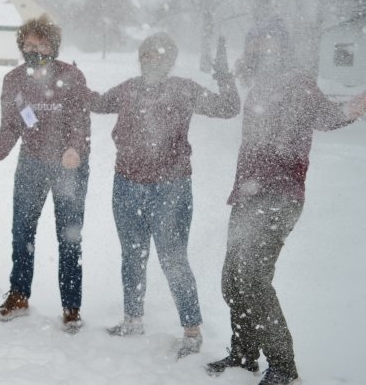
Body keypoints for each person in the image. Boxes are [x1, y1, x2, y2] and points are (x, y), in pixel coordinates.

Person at [206, 21, 366, 385]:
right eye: (254, 44)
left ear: (283, 46)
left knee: (254, 278)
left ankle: (282, 365)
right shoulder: (259, 85)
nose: (261, 50)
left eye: (268, 43)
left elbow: (325, 117)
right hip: (247, 196)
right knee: (232, 280)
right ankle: (244, 353)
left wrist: (353, 108)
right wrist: (222, 71)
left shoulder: (297, 81)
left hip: (279, 196)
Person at [89, 32, 240, 356]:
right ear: (141, 60)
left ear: (170, 61)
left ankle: (191, 330)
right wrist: (72, 83)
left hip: (170, 188)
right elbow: (99, 103)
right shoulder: (129, 88)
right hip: (127, 184)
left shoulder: (183, 89)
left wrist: (224, 75)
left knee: (173, 258)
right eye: (147, 56)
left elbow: (228, 107)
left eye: (160, 57)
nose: (152, 62)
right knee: (132, 254)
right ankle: (133, 319)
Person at [0, 15, 91, 332]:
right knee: (22, 231)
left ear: (53, 46)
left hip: (69, 166)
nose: (34, 49)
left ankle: (71, 306)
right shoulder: (14, 80)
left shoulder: (71, 76)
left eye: (41, 44)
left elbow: (81, 121)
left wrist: (74, 149)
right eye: (28, 44)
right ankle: (19, 295)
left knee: (69, 237)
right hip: (32, 163)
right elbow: (12, 125)